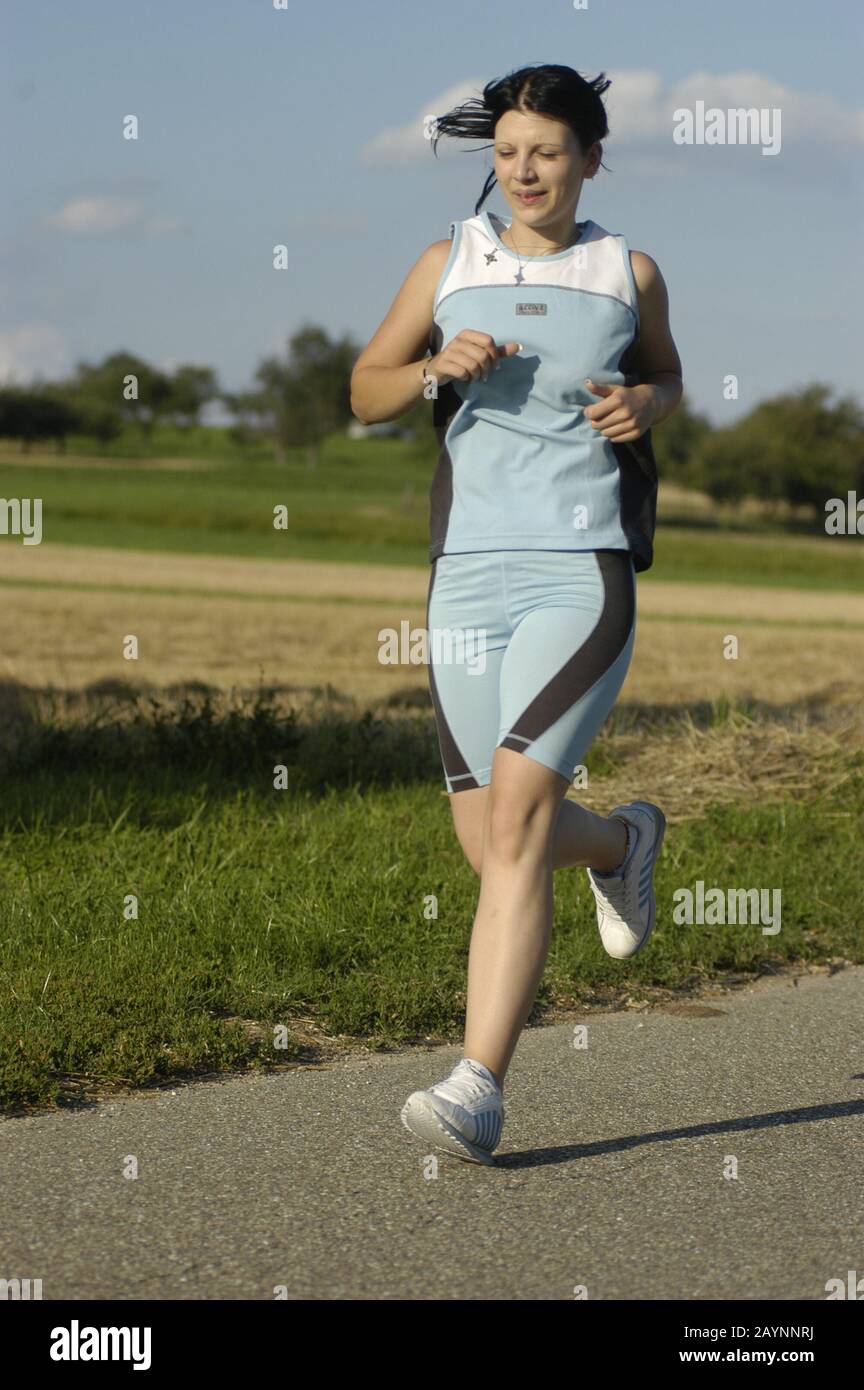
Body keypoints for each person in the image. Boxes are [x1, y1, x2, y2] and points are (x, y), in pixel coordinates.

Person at [350, 63, 683, 1165]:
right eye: (507, 153)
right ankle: (623, 839)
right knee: (490, 836)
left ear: (589, 157)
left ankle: (477, 1087)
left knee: (513, 823)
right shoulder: (449, 261)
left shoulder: (627, 271)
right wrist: (431, 367)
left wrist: (644, 401)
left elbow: (668, 378)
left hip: (578, 572)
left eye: (546, 151)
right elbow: (365, 386)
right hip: (463, 577)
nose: (524, 171)